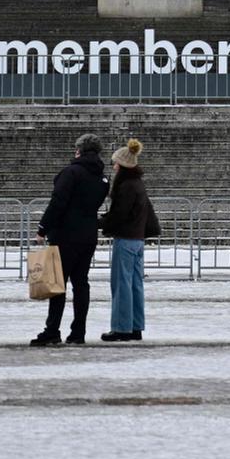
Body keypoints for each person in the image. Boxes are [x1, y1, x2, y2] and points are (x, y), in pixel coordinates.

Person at [31, 134, 110, 347]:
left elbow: (58, 202)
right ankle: (78, 332)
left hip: (65, 235)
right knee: (81, 283)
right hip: (88, 236)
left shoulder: (71, 172)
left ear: (79, 150)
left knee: (58, 284)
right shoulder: (102, 178)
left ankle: (52, 330)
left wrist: (42, 228)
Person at [99, 138, 161, 342]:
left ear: (123, 164)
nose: (114, 166)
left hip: (125, 239)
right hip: (137, 240)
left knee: (121, 284)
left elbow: (120, 214)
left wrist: (101, 223)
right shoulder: (138, 184)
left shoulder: (126, 186)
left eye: (116, 162)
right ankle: (135, 326)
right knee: (135, 284)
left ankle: (121, 328)